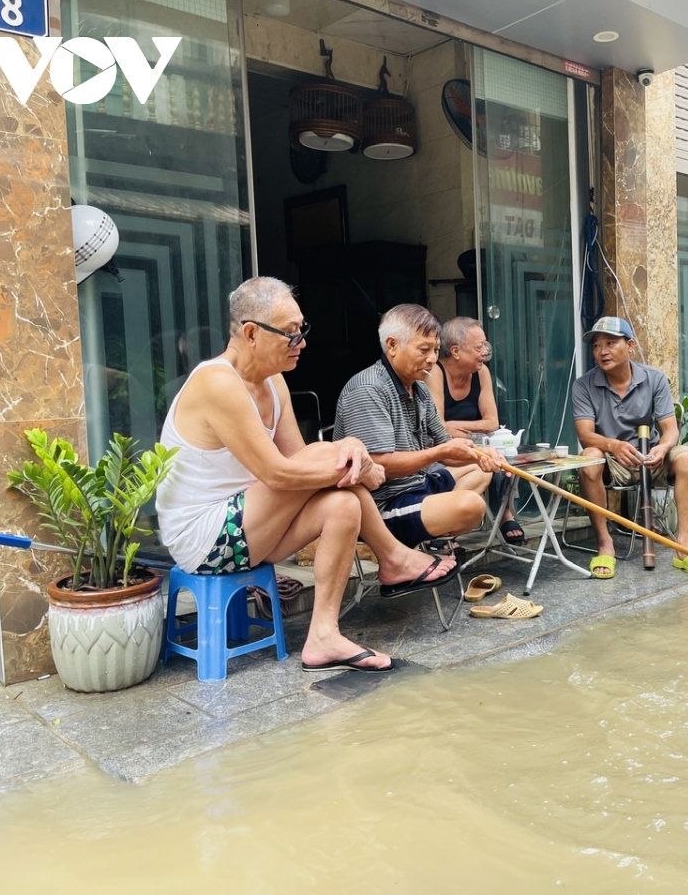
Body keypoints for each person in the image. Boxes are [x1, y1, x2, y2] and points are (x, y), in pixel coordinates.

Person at [156, 277, 458, 675]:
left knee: (342, 503)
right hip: (204, 538)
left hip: (252, 526)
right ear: (251, 333)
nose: (302, 343)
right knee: (330, 458)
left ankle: (323, 637)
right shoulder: (217, 382)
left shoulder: (272, 380)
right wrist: (358, 462)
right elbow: (279, 474)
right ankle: (394, 557)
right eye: (292, 335)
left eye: (302, 331)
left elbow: (298, 460)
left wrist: (351, 452)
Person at [333, 304, 501, 549]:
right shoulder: (368, 389)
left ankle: (432, 530)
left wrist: (478, 455)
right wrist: (441, 452)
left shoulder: (420, 387)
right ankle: (430, 532)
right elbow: (379, 465)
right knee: (472, 506)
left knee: (482, 471)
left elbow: (446, 445)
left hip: (418, 484)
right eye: (424, 349)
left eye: (435, 349)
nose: (432, 359)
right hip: (382, 504)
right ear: (392, 346)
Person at [571, 316, 688, 581]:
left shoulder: (654, 379)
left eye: (610, 343)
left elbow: (670, 430)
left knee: (686, 457)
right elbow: (586, 435)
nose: (602, 351)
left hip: (651, 455)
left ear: (630, 345)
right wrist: (613, 444)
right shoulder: (584, 385)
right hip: (613, 461)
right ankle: (605, 544)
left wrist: (663, 447)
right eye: (597, 346)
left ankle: (684, 547)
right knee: (589, 458)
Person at [426, 316, 524, 544]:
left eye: (485, 345)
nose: (485, 352)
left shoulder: (482, 373)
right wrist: (458, 431)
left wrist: (456, 428)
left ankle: (505, 512)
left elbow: (491, 422)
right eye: (479, 347)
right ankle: (444, 523)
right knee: (481, 461)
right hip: (444, 448)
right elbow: (437, 428)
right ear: (456, 351)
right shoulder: (436, 373)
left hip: (477, 445)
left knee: (503, 456)